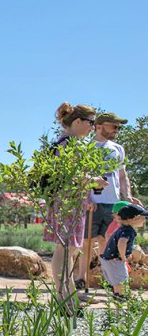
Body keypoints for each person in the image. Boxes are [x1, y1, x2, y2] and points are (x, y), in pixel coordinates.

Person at [43, 103, 97, 302]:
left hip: (72, 202)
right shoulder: (67, 145)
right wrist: (94, 181)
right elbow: (72, 177)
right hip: (67, 202)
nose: (92, 127)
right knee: (63, 248)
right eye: (91, 122)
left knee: (70, 249)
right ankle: (62, 296)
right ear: (77, 121)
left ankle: (69, 294)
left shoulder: (68, 144)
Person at [82, 112, 140, 290]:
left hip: (113, 202)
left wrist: (127, 196)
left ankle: (109, 281)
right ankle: (80, 279)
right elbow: (82, 175)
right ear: (99, 126)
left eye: (118, 126)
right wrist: (87, 197)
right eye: (113, 125)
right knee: (87, 242)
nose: (117, 129)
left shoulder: (117, 148)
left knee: (107, 242)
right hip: (93, 201)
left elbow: (122, 176)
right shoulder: (86, 147)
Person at [99, 204, 147, 300]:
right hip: (115, 260)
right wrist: (123, 256)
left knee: (117, 282)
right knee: (121, 280)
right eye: (142, 218)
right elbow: (121, 243)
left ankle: (117, 296)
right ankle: (121, 298)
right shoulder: (128, 231)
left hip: (108, 259)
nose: (144, 221)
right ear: (132, 219)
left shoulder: (122, 229)